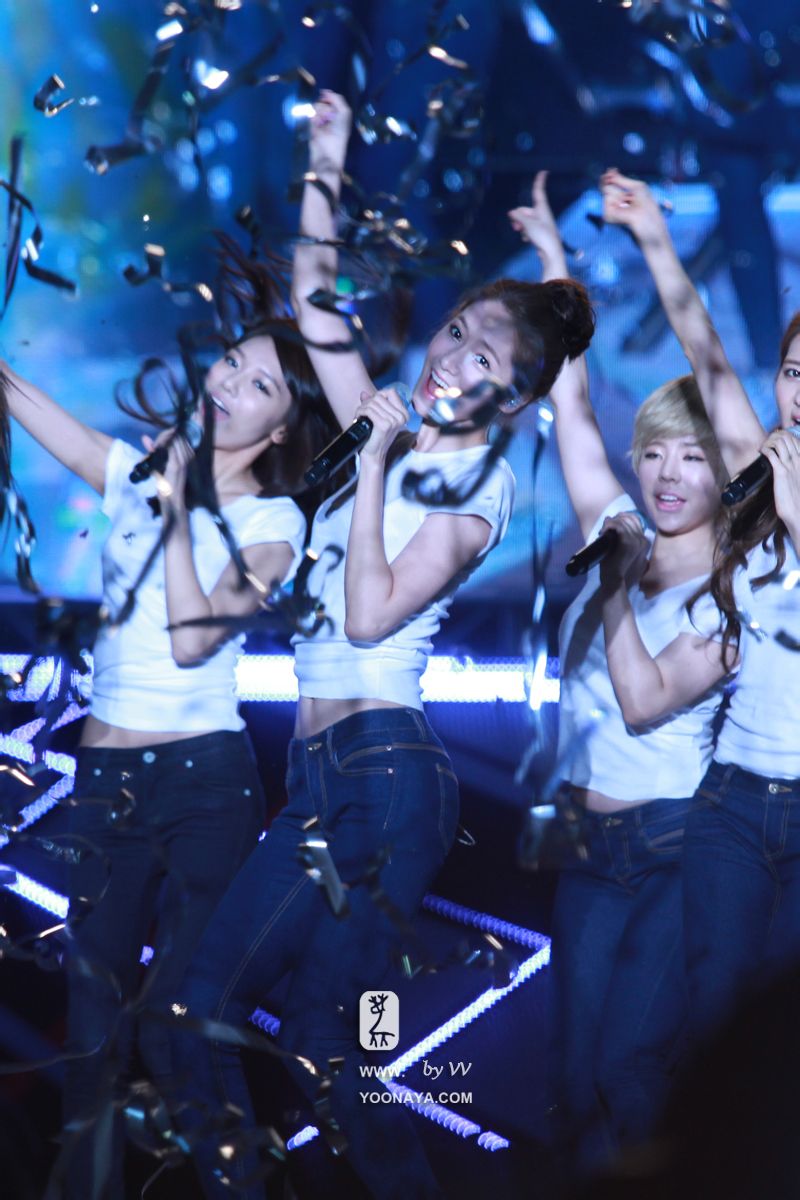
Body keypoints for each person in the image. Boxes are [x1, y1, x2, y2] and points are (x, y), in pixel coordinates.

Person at [171, 91, 594, 1200]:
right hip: (323, 774)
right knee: (281, 1032)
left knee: (265, 1026)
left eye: (484, 357)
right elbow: (315, 298)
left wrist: (367, 471)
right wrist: (326, 157)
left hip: (387, 782)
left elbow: (369, 617)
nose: (452, 356)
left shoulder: (479, 487)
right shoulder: (386, 422)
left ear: (514, 398)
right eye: (456, 330)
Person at [0, 272, 338, 1197]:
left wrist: (182, 509)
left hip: (203, 785)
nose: (229, 382)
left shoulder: (274, 521)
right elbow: (35, 406)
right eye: (232, 362)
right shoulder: (140, 476)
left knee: (179, 1031)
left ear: (282, 428)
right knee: (91, 1036)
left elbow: (194, 640)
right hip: (105, 779)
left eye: (260, 384)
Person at [509, 171, 732, 1176]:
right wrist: (555, 268)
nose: (666, 475)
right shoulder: (619, 530)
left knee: (631, 1076)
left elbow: (642, 702)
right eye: (653, 455)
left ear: (726, 475)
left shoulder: (736, 593)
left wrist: (610, 590)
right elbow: (568, 405)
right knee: (571, 1081)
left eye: (693, 458)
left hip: (671, 846)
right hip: (586, 842)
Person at [600, 170, 800, 1045]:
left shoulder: (784, 496)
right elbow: (707, 355)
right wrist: (652, 235)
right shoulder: (764, 474)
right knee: (713, 1022)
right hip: (732, 803)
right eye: (794, 372)